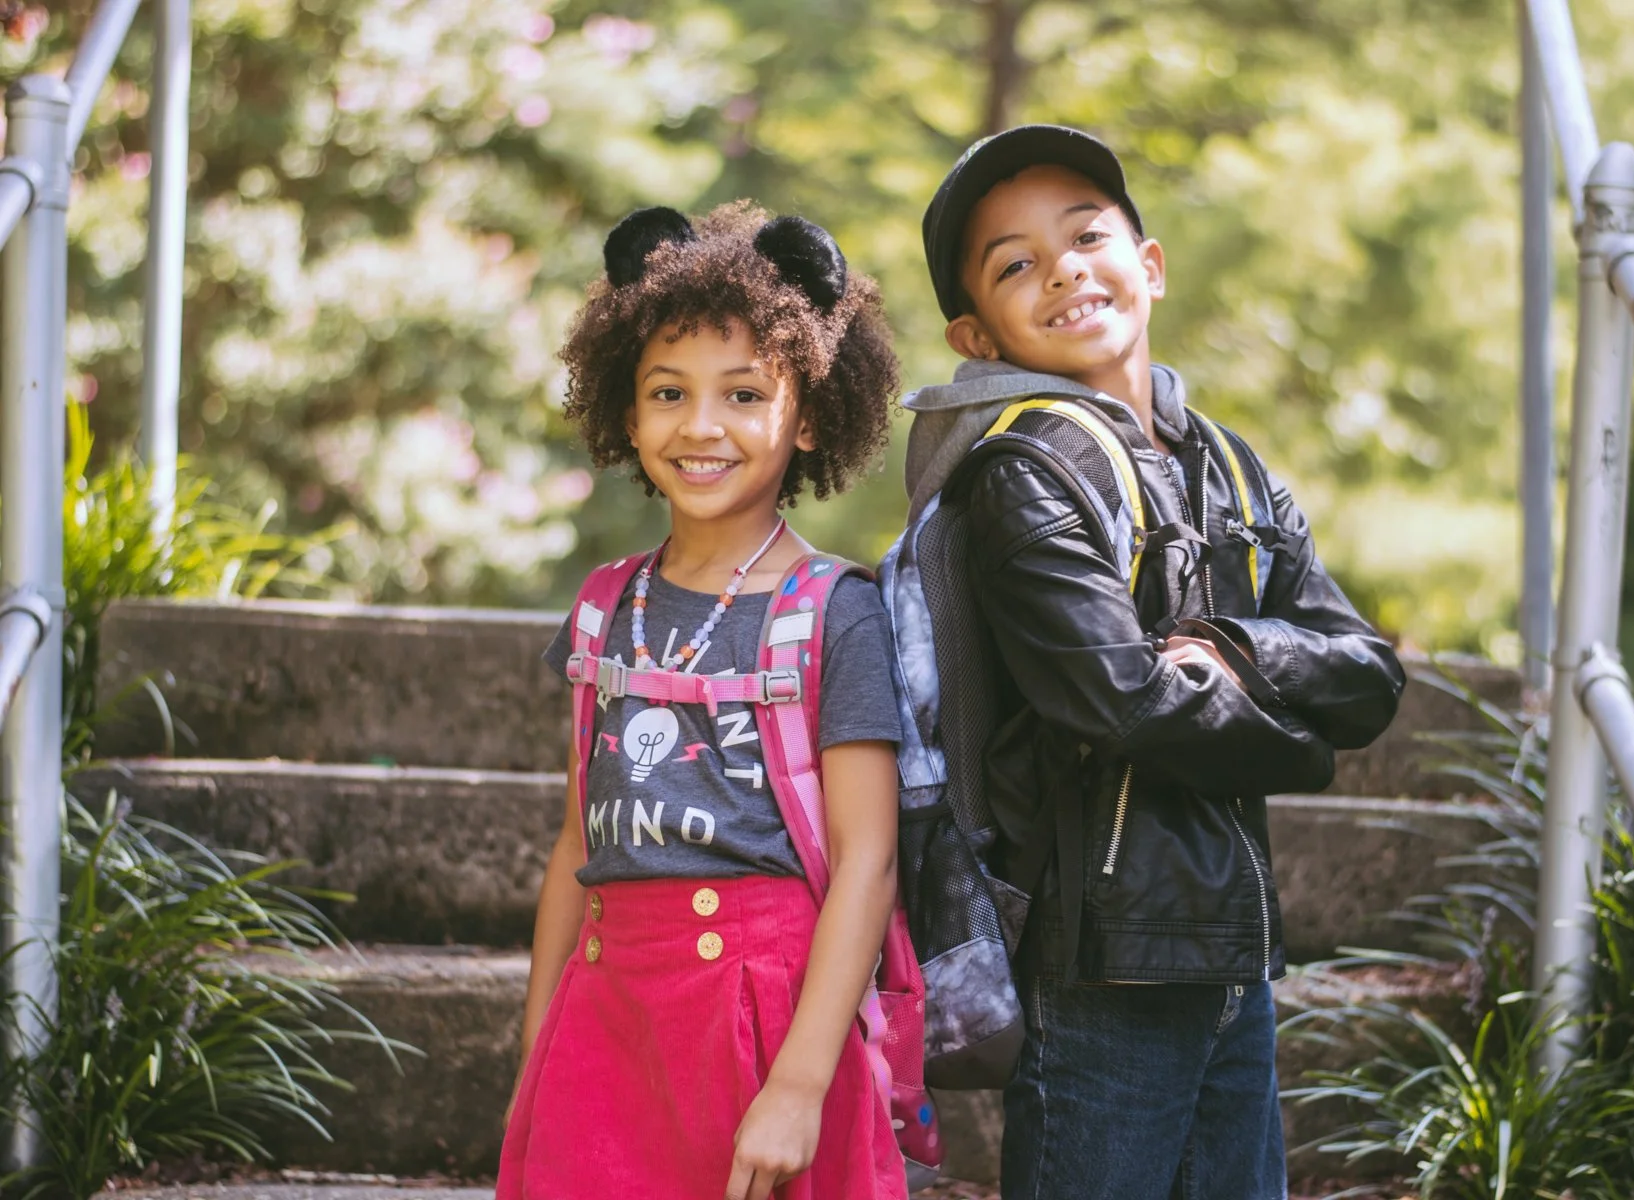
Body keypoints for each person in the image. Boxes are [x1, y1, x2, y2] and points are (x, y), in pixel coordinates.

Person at [905, 125, 1408, 1199]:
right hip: (1100, 966)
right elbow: (1126, 701)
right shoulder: (1021, 476)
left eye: (1087, 236)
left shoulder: (1231, 465)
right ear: (976, 332)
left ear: (1152, 264)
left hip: (1233, 952)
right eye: (1015, 265)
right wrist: (1307, 756)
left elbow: (1369, 670)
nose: (1064, 271)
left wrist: (1228, 648)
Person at [497, 201, 911, 1200]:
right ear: (626, 413)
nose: (701, 426)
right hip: (607, 1014)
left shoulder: (835, 613)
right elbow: (573, 847)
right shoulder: (605, 607)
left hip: (766, 1015)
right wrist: (535, 1056)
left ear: (806, 414)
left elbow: (869, 860)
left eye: (742, 395)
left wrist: (802, 1085)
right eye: (668, 393)